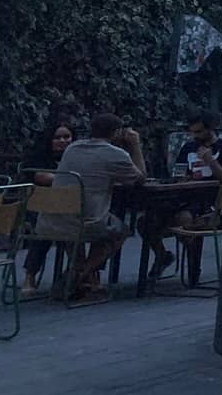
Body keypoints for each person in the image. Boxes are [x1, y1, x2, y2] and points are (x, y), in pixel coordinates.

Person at [49, 113, 148, 302]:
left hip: (54, 219)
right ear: (117, 132)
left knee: (85, 220)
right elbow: (140, 178)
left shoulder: (71, 148)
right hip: (88, 221)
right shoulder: (116, 154)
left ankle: (82, 276)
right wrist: (135, 145)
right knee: (119, 231)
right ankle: (81, 275)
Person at [19, 121, 78, 296]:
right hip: (40, 208)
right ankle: (30, 276)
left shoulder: (77, 157)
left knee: (77, 227)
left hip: (70, 208)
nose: (62, 141)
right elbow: (41, 177)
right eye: (57, 137)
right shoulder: (39, 158)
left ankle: (81, 274)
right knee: (45, 226)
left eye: (66, 137)